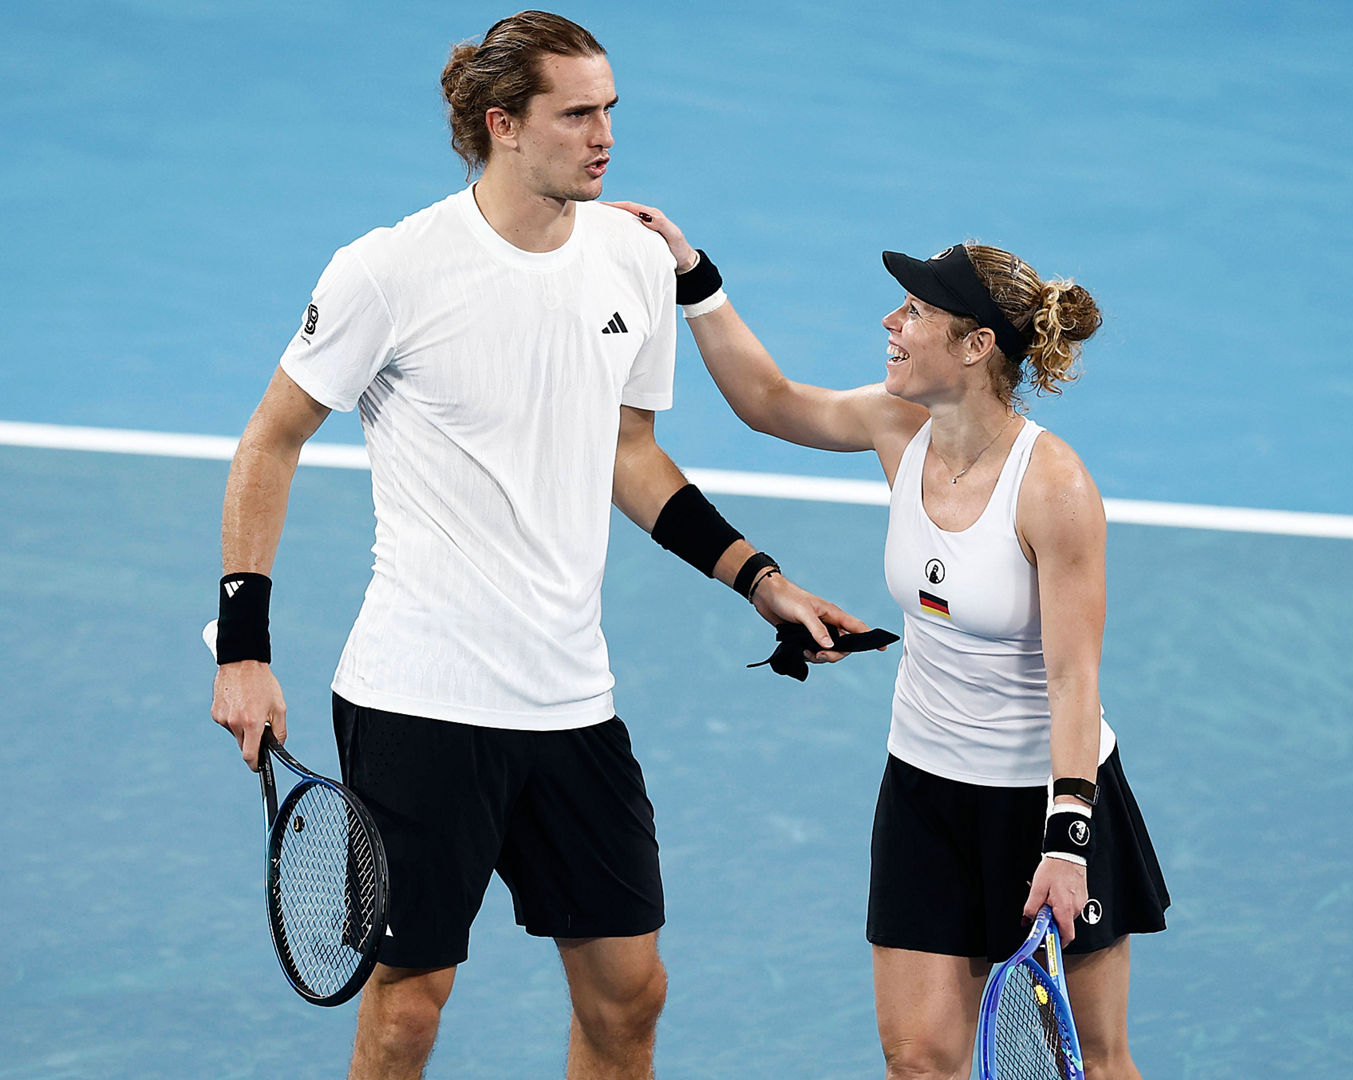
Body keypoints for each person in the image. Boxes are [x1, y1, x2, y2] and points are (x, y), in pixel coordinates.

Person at [208, 12, 871, 1080]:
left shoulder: (632, 261)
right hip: (421, 697)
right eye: (577, 114)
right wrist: (242, 645)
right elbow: (269, 439)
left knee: (629, 997)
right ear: (501, 124)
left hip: (570, 698)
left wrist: (757, 576)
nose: (604, 134)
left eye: (611, 109)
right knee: (409, 1008)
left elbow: (630, 454)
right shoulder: (392, 269)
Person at [609, 202, 1170, 1080]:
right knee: (917, 1059)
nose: (890, 321)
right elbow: (767, 401)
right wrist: (691, 271)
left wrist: (1067, 842)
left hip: (1042, 800)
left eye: (914, 312)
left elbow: (1074, 678)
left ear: (976, 345)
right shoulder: (896, 426)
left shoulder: (1053, 488)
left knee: (1095, 1061)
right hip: (923, 789)